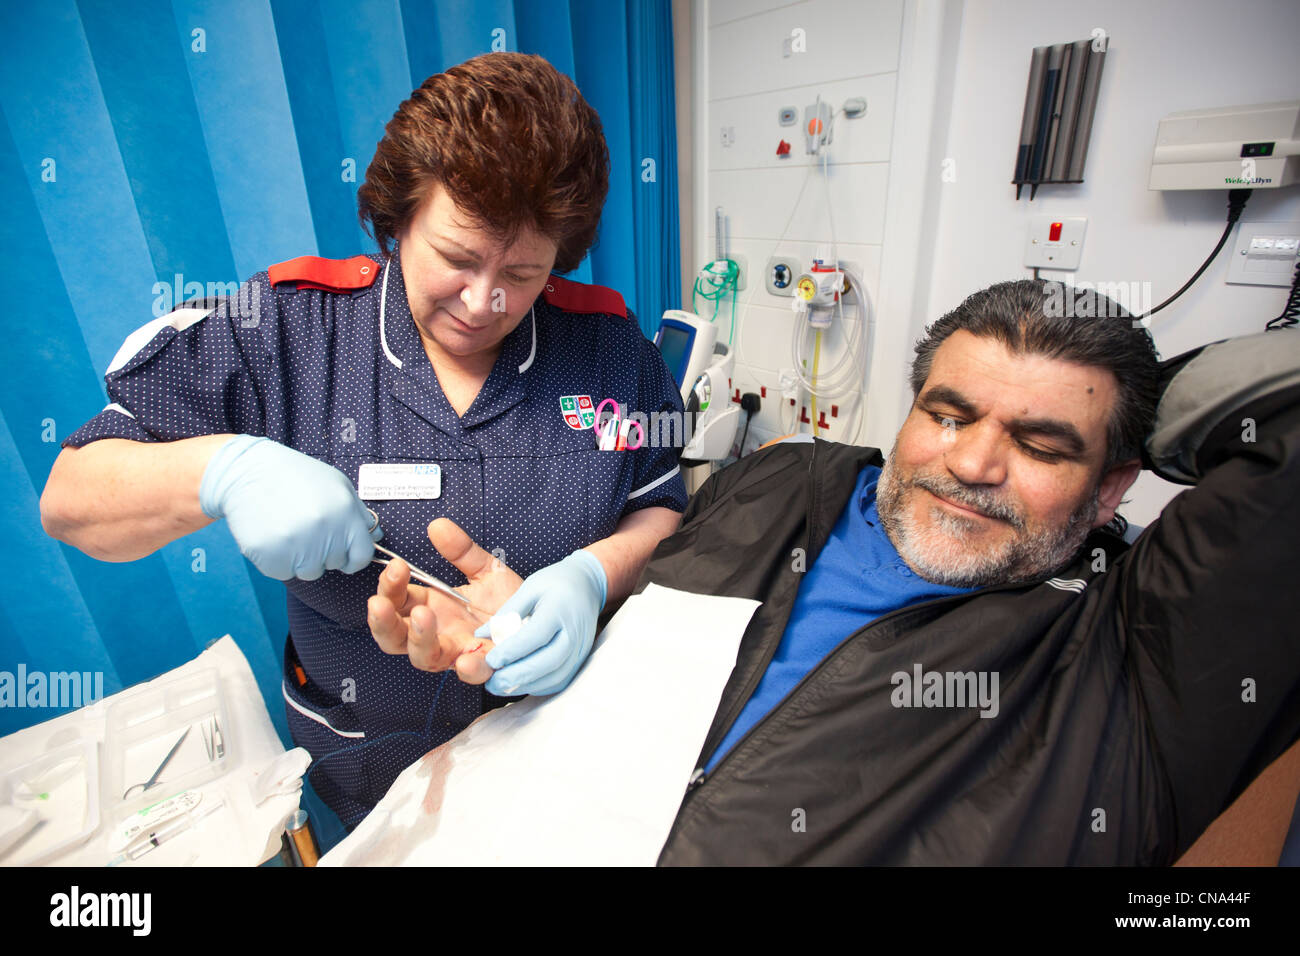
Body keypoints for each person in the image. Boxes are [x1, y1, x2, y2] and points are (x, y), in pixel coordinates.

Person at [39, 52, 687, 828]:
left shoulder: (610, 348)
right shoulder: (285, 329)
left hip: (553, 757)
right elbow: (71, 498)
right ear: (397, 219)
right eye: (456, 257)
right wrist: (224, 470)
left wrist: (591, 577)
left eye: (523, 271)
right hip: (369, 768)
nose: (484, 301)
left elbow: (662, 510)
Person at [634, 279, 1298, 864]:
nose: (973, 464)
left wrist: (1155, 398)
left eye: (1040, 446)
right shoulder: (781, 476)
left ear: (1109, 488)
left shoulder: (1129, 647)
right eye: (949, 417)